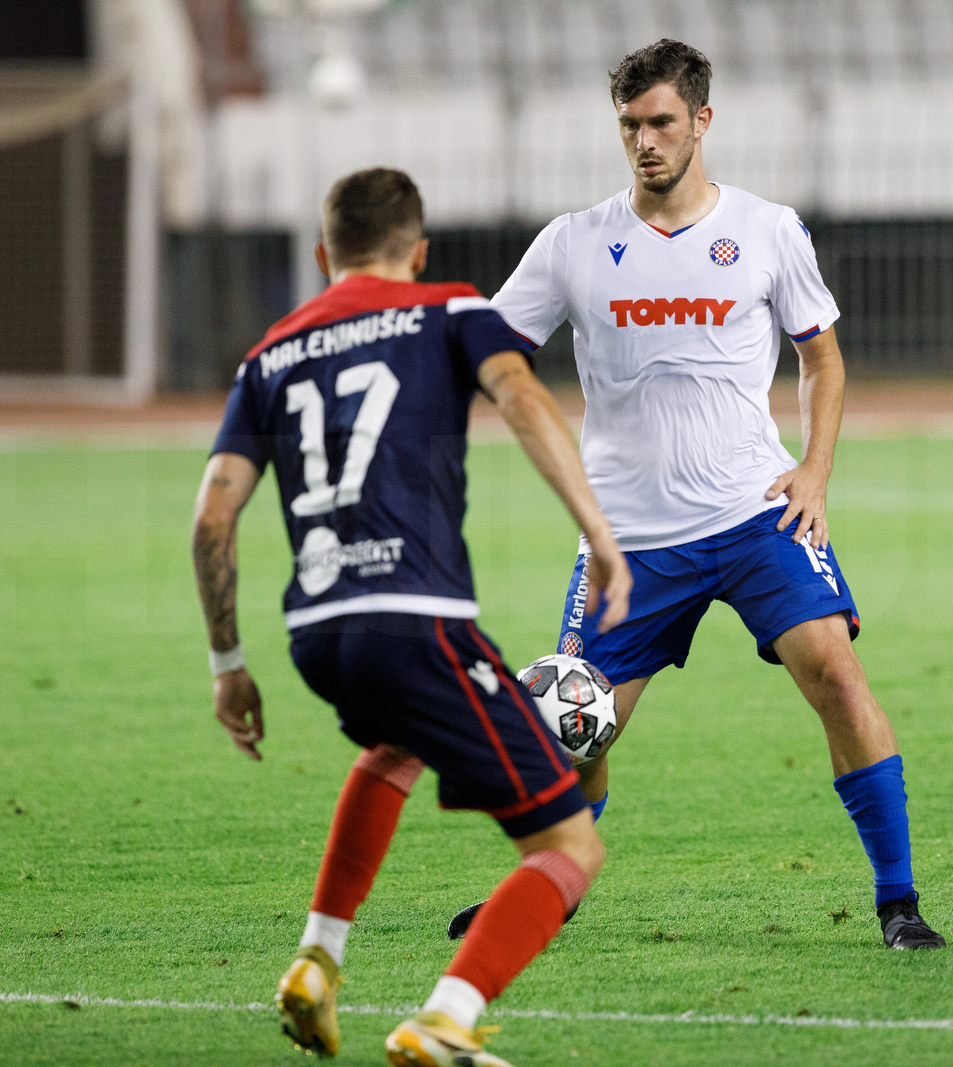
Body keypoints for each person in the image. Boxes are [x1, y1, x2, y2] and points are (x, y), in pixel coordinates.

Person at [446, 40, 944, 951]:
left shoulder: (766, 229)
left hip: (759, 512)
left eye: (662, 121)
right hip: (628, 536)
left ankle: (898, 900)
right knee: (576, 728)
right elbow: (486, 348)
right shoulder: (572, 243)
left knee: (836, 672)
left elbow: (821, 356)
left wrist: (816, 469)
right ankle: (552, 883)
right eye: (631, 124)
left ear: (701, 123)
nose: (644, 140)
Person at [192, 167, 632, 1066]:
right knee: (570, 847)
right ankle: (448, 1017)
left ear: (325, 256)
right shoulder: (451, 309)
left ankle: (317, 960)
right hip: (417, 621)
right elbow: (519, 397)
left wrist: (227, 660)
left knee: (393, 744)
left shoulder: (269, 354)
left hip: (317, 634)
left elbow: (212, 516)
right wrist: (599, 530)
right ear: (419, 248)